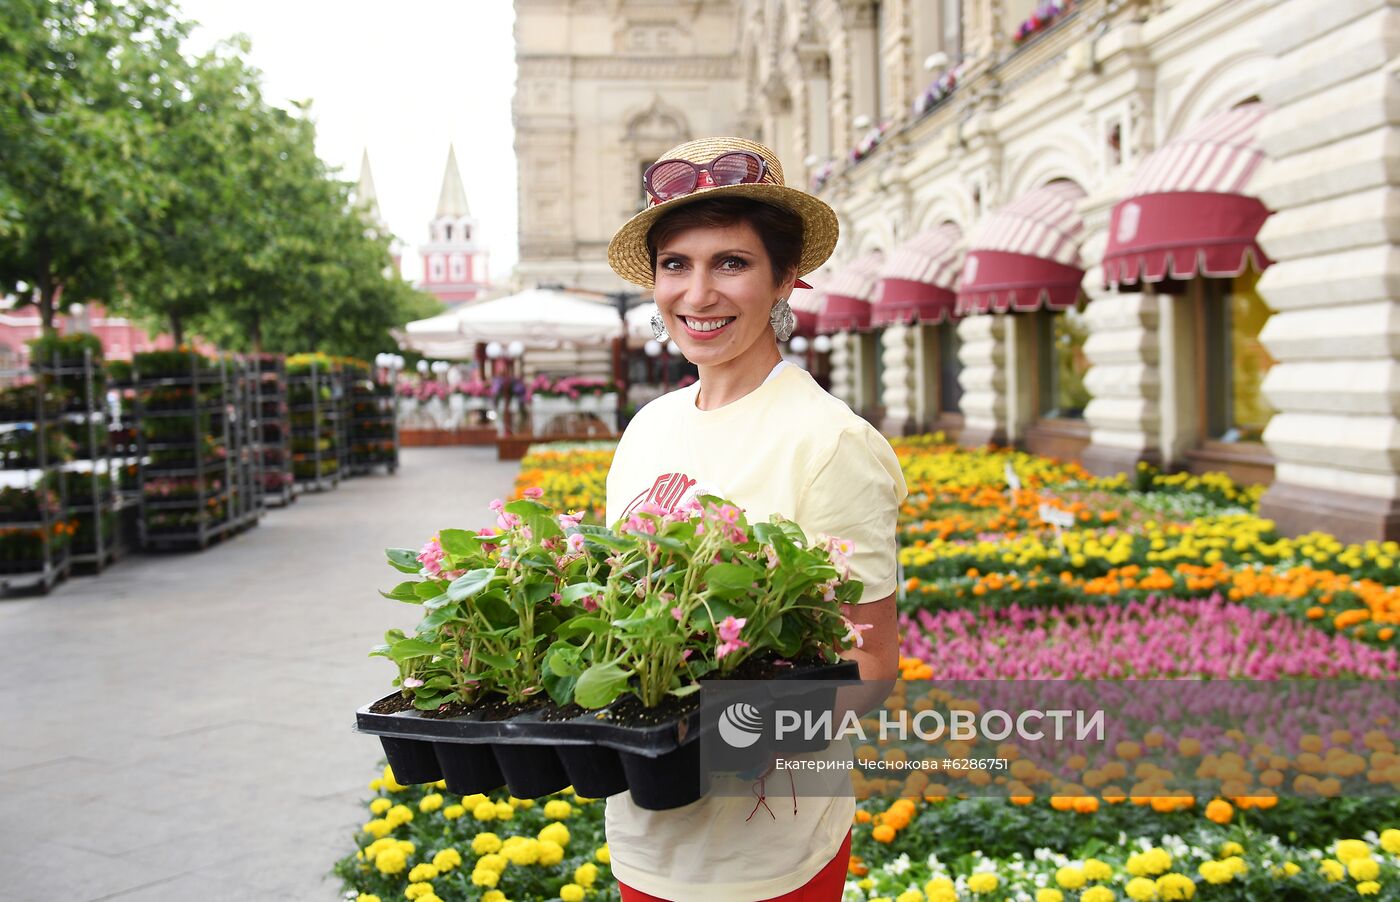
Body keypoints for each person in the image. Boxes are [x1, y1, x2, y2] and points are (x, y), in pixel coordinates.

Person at [602, 136, 908, 901]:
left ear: (785, 282)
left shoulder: (829, 442)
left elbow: (868, 672)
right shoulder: (650, 427)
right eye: (677, 264)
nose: (697, 294)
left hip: (767, 857)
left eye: (731, 263)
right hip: (642, 837)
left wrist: (698, 742)